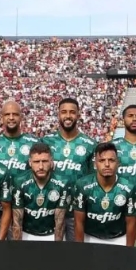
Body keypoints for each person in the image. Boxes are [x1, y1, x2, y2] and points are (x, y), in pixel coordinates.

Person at [41, 98, 96, 241]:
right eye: (64, 112)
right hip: (49, 210)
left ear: (78, 115)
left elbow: (93, 180)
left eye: (72, 112)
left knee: (76, 257)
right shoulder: (46, 142)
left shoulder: (90, 145)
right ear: (58, 115)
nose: (68, 116)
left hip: (77, 212)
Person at [71, 142, 136, 246]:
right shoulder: (82, 186)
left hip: (119, 239)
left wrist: (128, 252)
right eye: (102, 160)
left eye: (111, 160)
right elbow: (78, 222)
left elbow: (131, 224)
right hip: (90, 238)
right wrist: (80, 250)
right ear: (95, 164)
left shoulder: (129, 188)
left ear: (118, 163)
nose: (107, 164)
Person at [11, 142, 68, 241]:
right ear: (30, 162)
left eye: (45, 161)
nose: (41, 167)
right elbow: (17, 221)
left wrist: (58, 248)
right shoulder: (19, 181)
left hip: (51, 234)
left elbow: (60, 222)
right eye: (36, 162)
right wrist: (17, 248)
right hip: (26, 234)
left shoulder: (62, 183)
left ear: (51, 162)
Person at [0, 100, 40, 181]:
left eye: (15, 114)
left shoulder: (34, 143)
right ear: (1, 118)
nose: (11, 118)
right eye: (7, 114)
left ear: (21, 117)